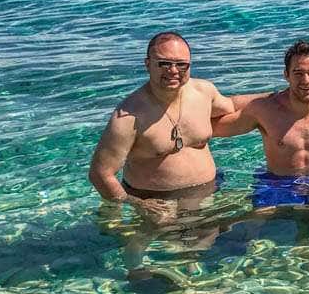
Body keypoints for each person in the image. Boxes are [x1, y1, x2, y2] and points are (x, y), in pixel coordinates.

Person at [88, 31, 238, 215]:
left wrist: (277, 97)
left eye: (181, 64)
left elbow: (232, 105)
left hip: (209, 191)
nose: (173, 71)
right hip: (157, 205)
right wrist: (137, 204)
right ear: (148, 64)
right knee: (161, 244)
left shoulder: (203, 92)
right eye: (164, 63)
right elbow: (100, 174)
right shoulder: (129, 115)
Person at [211, 39, 309, 207]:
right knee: (257, 223)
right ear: (286, 74)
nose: (306, 80)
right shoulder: (264, 110)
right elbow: (214, 129)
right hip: (276, 183)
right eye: (298, 73)